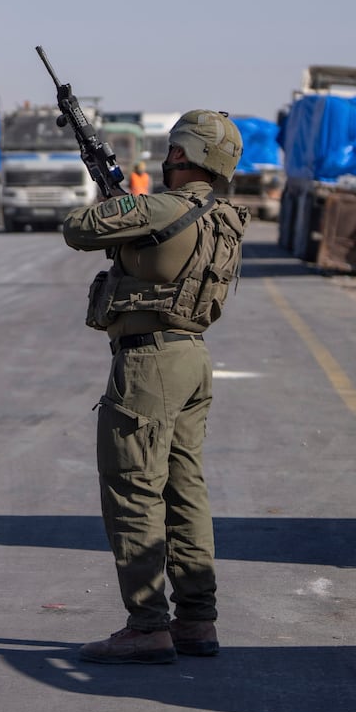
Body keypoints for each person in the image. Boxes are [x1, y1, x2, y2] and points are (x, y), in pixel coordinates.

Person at [61, 110, 250, 665]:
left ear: (178, 155)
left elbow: (78, 229)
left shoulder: (163, 208)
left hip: (148, 365)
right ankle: (196, 620)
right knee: (184, 488)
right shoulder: (224, 215)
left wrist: (111, 198)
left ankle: (147, 625)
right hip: (192, 357)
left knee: (134, 489)